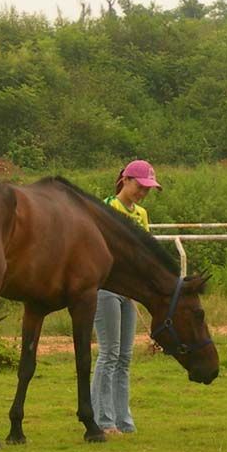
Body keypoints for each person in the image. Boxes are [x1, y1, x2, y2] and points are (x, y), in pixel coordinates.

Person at [91, 159, 162, 436]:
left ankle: (124, 420)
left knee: (124, 356)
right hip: (107, 289)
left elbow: (144, 251)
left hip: (129, 293)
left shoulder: (142, 214)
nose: (142, 194)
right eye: (140, 187)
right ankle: (103, 420)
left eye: (147, 190)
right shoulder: (108, 208)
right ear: (126, 180)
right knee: (108, 354)